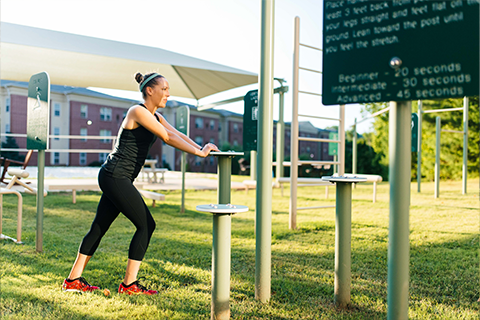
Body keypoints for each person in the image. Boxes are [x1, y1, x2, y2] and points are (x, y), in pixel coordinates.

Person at [62, 72, 219, 295]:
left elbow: (177, 134)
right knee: (146, 224)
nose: (168, 93)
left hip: (116, 176)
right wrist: (199, 153)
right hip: (115, 175)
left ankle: (73, 280)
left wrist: (203, 148)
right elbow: (168, 138)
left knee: (99, 227)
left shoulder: (156, 117)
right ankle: (128, 285)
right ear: (149, 90)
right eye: (164, 89)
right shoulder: (137, 111)